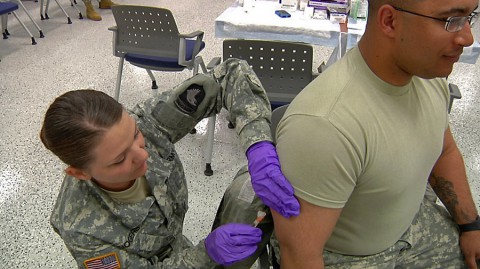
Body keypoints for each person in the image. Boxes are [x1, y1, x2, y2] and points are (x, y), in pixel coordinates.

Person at [270, 0, 480, 268]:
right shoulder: (327, 126)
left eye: (469, 17)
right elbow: (300, 257)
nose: (468, 37)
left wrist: (471, 225)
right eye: (451, 20)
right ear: (390, 21)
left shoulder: (428, 76)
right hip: (347, 257)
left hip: (408, 226)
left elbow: (444, 150)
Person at [40, 58, 298, 268]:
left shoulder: (149, 122)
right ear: (80, 173)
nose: (143, 156)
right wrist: (205, 255)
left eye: (134, 135)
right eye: (119, 160)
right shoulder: (82, 228)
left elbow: (230, 75)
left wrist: (258, 146)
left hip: (179, 249)